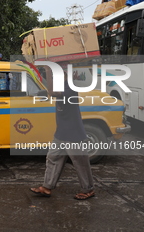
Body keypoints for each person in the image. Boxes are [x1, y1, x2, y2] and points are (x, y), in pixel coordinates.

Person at [30, 62, 95, 200]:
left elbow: (52, 92)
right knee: (53, 158)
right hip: (61, 133)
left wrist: (47, 68)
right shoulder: (63, 85)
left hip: (74, 134)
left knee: (80, 162)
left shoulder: (70, 87)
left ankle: (88, 189)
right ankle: (47, 187)